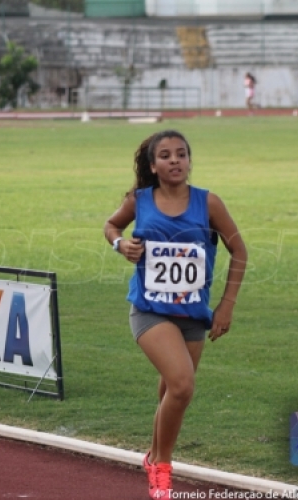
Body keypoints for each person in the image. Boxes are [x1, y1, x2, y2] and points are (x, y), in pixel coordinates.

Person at [103, 130, 247, 499]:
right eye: (165, 156)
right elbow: (111, 226)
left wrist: (226, 306)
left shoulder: (208, 203)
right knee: (182, 385)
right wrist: (122, 245)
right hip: (149, 310)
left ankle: (152, 457)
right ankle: (162, 468)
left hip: (194, 315)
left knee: (171, 391)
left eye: (181, 154)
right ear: (153, 165)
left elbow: (240, 252)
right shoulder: (139, 200)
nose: (175, 161)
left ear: (189, 161)